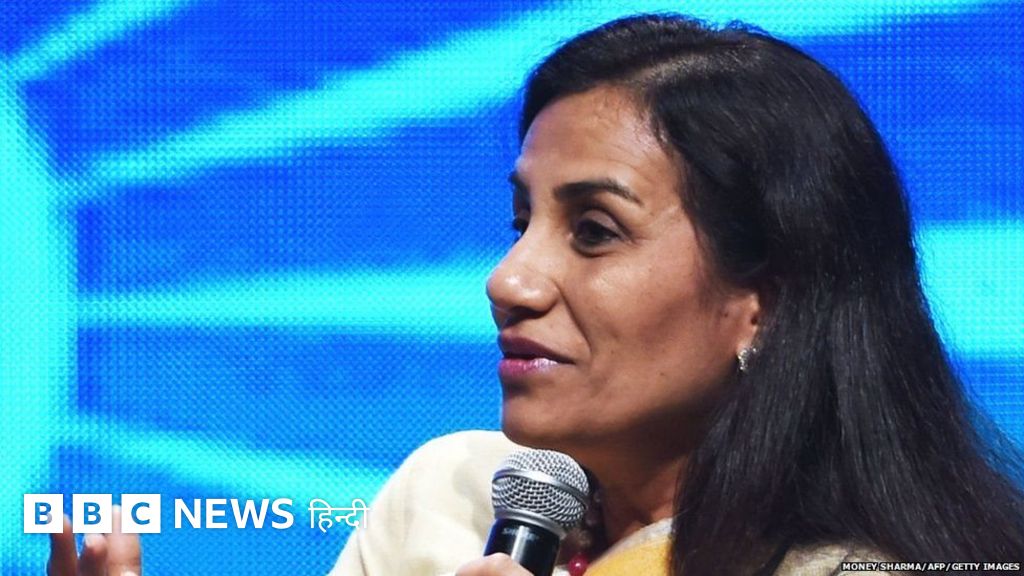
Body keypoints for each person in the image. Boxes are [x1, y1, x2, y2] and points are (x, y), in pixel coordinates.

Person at [48, 13, 1024, 576]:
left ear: (763, 300)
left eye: (593, 230)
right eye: (521, 222)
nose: (508, 280)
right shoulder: (447, 500)